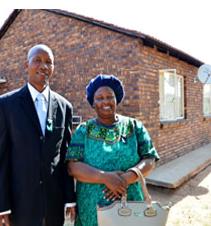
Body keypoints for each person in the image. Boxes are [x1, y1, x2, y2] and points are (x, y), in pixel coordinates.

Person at [0, 44, 77, 226]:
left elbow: (65, 156)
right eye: (37, 60)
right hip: (20, 203)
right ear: (26, 65)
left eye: (48, 62)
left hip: (53, 203)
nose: (43, 66)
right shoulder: (6, 105)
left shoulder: (64, 107)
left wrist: (70, 198)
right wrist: (0, 207)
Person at [66, 75, 160, 226]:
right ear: (93, 103)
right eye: (99, 98)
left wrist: (125, 180)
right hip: (92, 209)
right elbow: (73, 167)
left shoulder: (134, 127)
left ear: (117, 99)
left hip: (130, 203)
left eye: (110, 96)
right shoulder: (84, 130)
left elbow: (149, 159)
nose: (105, 102)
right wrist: (105, 178)